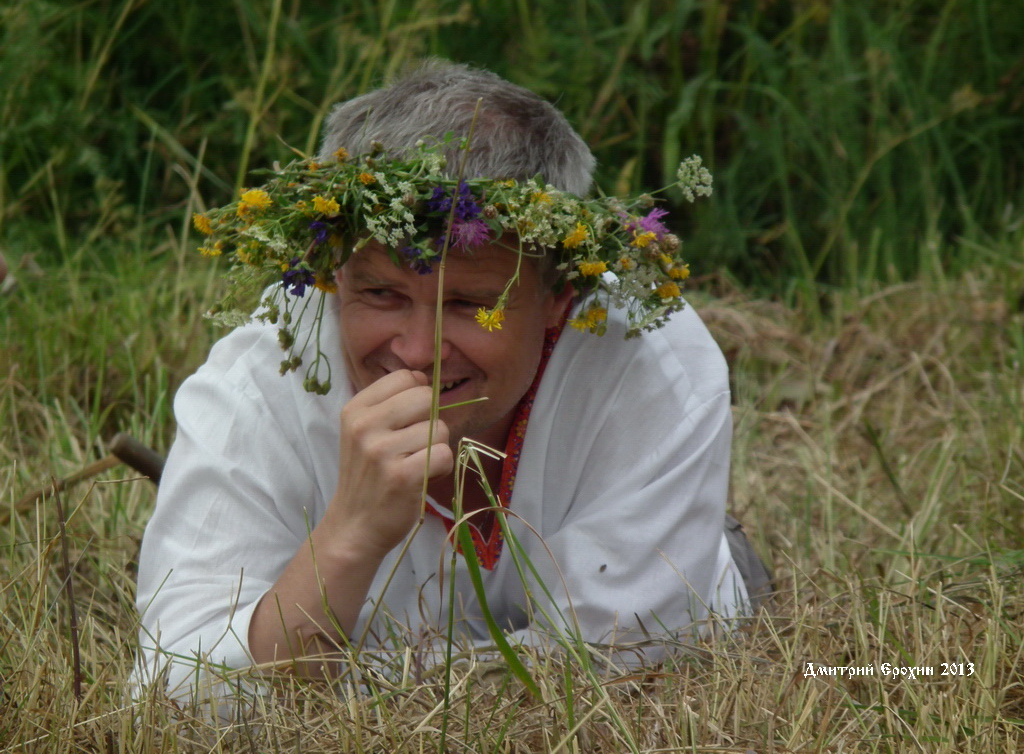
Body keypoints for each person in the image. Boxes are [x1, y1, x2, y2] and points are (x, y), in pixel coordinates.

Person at [135, 60, 769, 699]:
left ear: (561, 295)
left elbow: (619, 663)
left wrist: (340, 681)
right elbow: (173, 691)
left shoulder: (653, 361)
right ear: (329, 275)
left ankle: (704, 533)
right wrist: (347, 539)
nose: (415, 352)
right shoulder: (258, 379)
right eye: (381, 292)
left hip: (678, 595)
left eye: (470, 305)